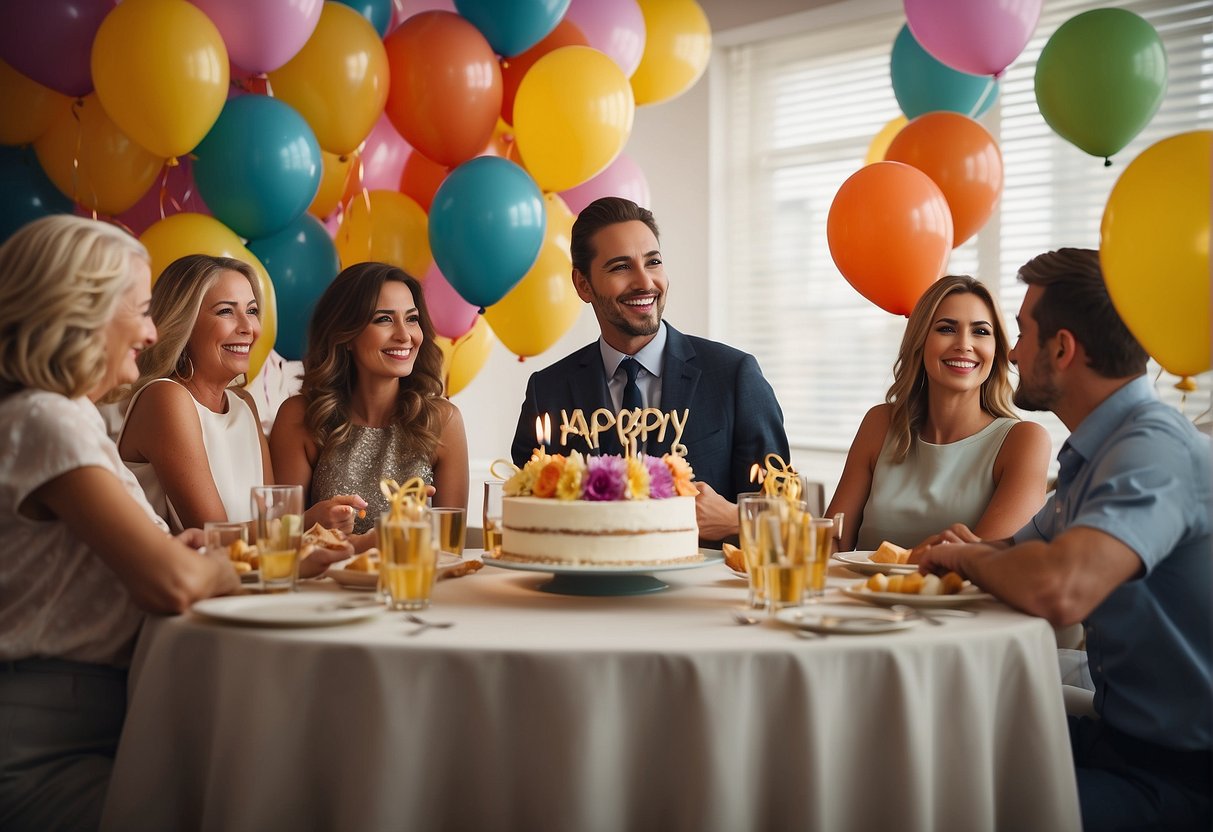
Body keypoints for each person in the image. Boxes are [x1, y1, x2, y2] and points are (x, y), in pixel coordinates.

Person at [917, 249, 1211, 831]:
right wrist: (968, 550)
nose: (1014, 350)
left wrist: (963, 554)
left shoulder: (1151, 450)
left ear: (1062, 348)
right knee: (919, 753)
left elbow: (1060, 587)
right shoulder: (1098, 450)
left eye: (1023, 331)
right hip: (1118, 740)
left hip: (1182, 779)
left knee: (951, 809)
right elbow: (1019, 551)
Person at [0, 216, 240, 831]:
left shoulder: (67, 413)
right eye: (139, 310)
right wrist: (212, 566)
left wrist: (179, 552)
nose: (154, 331)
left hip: (104, 713)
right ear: (82, 311)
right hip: (50, 742)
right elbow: (171, 584)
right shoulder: (44, 420)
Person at [510, 197, 790, 542]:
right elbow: (528, 522)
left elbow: (787, 517)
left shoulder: (734, 376)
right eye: (620, 267)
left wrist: (736, 519)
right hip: (585, 593)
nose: (645, 282)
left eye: (653, 262)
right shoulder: (548, 391)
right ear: (583, 285)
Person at [113, 254, 359, 536]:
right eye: (226, 311)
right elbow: (210, 533)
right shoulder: (166, 398)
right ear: (184, 323)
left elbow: (275, 521)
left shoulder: (244, 405)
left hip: (244, 578)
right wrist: (306, 523)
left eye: (252, 311)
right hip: (176, 578)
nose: (248, 328)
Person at [826, 275, 1051, 552]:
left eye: (980, 332)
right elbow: (831, 543)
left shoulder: (1024, 441)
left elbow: (982, 563)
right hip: (855, 595)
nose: (964, 344)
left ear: (997, 349)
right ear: (920, 341)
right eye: (946, 329)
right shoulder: (880, 423)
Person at [270, 262, 469, 551]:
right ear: (346, 335)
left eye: (412, 319)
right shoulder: (299, 417)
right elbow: (278, 547)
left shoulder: (443, 420)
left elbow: (450, 551)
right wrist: (310, 521)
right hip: (322, 590)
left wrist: (421, 529)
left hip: (411, 589)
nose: (405, 335)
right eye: (384, 319)